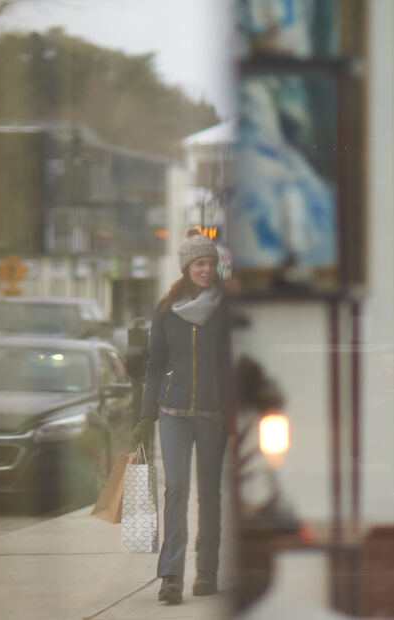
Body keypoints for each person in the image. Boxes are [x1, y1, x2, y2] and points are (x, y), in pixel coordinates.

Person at [131, 229, 232, 605]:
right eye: (199, 263)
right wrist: (145, 416)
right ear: (187, 267)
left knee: (209, 493)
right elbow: (155, 364)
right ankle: (171, 575)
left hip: (212, 413)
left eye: (210, 263)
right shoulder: (166, 310)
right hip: (172, 412)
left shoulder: (226, 309)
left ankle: (207, 570)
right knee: (176, 490)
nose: (206, 269)